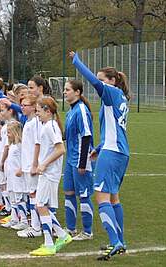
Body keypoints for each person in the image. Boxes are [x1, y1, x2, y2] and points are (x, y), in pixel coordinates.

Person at [70, 51, 130, 260]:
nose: (100, 83)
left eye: (103, 78)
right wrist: (99, 147)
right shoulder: (119, 98)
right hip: (119, 151)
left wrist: (77, 61)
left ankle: (115, 242)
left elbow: (94, 82)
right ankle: (120, 241)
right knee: (113, 197)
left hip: (112, 153)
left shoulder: (112, 92)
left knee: (101, 197)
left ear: (112, 81)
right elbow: (115, 129)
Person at [30, 97, 72, 257]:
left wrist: (44, 164)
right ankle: (62, 235)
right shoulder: (48, 125)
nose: (37, 114)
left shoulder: (50, 126)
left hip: (50, 173)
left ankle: (50, 243)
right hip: (47, 172)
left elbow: (61, 149)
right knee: (40, 205)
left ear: (47, 111)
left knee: (40, 205)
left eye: (39, 111)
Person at [63, 80, 95, 241]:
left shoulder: (81, 110)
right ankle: (71, 228)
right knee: (68, 192)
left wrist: (83, 163)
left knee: (83, 195)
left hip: (81, 159)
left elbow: (86, 136)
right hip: (70, 159)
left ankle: (87, 231)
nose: (65, 92)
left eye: (68, 89)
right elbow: (66, 135)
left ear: (77, 92)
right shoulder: (71, 111)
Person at [17, 95, 43, 238]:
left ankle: (36, 227)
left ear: (33, 107)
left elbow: (38, 144)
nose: (23, 107)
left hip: (32, 165)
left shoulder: (36, 123)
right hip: (26, 164)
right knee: (31, 194)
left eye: (26, 105)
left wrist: (34, 164)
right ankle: (34, 225)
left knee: (34, 195)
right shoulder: (28, 122)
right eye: (22, 105)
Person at [1, 121, 28, 231]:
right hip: (11, 176)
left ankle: (24, 220)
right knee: (12, 197)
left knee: (19, 198)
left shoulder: (20, 145)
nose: (7, 134)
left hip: (18, 177)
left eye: (9, 132)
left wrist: (21, 170)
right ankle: (14, 218)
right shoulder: (12, 145)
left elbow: (25, 159)